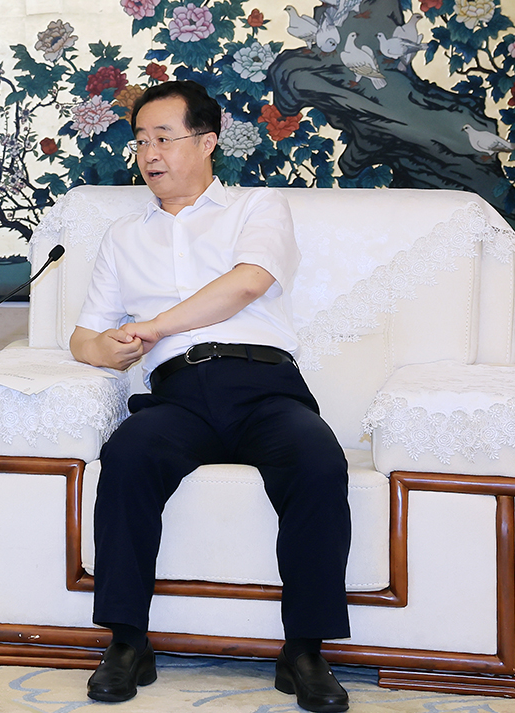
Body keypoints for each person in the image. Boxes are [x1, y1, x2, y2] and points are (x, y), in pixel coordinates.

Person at [70, 80, 351, 713]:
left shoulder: (255, 207)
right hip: (177, 395)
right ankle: (126, 640)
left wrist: (153, 327)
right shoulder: (123, 238)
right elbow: (85, 334)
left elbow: (248, 283)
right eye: (141, 140)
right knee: (129, 456)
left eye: (164, 137)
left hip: (264, 386)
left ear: (208, 142)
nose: (149, 153)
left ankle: (304, 650)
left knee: (316, 460)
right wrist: (105, 350)